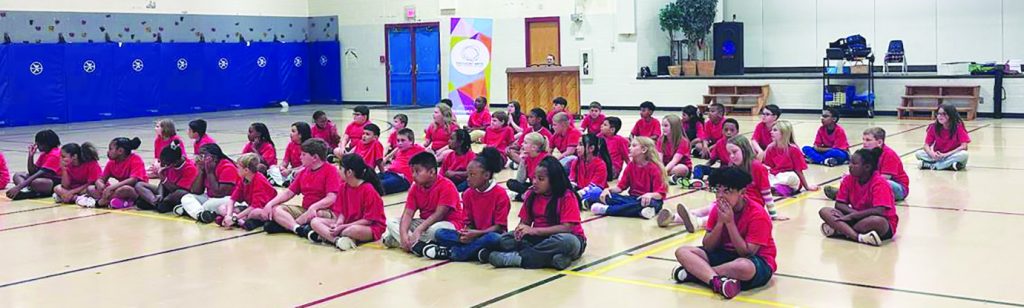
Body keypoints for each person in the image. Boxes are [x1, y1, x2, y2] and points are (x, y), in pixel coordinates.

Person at [672, 167, 777, 300]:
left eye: (727, 191)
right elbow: (708, 246)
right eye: (717, 191)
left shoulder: (758, 214)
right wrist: (720, 223)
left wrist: (730, 223)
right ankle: (717, 281)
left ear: (742, 192)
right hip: (724, 255)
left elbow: (746, 253)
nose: (720, 196)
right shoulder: (717, 209)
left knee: (743, 267)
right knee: (682, 251)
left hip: (756, 260)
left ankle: (697, 274)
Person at [485, 156, 586, 270]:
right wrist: (520, 230)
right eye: (534, 178)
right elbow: (524, 222)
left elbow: (567, 228)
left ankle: (519, 259)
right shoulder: (531, 195)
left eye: (541, 179)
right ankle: (552, 259)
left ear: (553, 180)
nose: (535, 182)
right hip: (540, 239)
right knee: (505, 239)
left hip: (566, 237)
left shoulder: (566, 196)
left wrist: (534, 230)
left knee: (567, 242)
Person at [421, 148, 509, 261]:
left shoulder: (500, 194)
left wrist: (477, 233)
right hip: (474, 236)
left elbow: (499, 228)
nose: (467, 179)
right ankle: (477, 252)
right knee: (440, 233)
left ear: (486, 175)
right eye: (467, 174)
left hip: (489, 234)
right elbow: (468, 222)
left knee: (494, 239)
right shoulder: (467, 194)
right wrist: (466, 233)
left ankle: (454, 253)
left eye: (472, 175)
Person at [383, 152, 465, 256]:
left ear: (431, 172)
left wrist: (419, 230)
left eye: (417, 172)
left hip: (446, 223)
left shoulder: (447, 186)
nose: (413, 175)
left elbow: (439, 215)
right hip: (425, 222)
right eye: (412, 172)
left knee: (435, 230)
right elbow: (408, 214)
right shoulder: (415, 188)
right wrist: (403, 235)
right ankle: (417, 246)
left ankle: (401, 241)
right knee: (391, 222)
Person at [819, 148, 899, 246]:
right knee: (825, 211)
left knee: (876, 221)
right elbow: (839, 204)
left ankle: (840, 230)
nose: (850, 166)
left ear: (867, 167)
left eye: (854, 164)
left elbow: (879, 211)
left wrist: (853, 216)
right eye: (850, 163)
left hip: (878, 220)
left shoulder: (880, 183)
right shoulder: (848, 179)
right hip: (855, 217)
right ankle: (858, 237)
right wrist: (853, 215)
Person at [263, 139, 342, 238]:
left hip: (325, 210)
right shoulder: (304, 172)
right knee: (276, 209)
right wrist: (270, 204)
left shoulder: (331, 171)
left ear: (315, 157)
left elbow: (331, 198)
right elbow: (288, 193)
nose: (300, 157)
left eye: (304, 155)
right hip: (306, 210)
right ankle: (297, 228)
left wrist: (314, 207)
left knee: (317, 214)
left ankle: (287, 225)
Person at [308, 154, 387, 251]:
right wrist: (339, 223)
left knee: (351, 230)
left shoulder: (369, 190)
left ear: (349, 172)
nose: (338, 170)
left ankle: (326, 236)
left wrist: (342, 227)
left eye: (340, 168)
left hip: (369, 227)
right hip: (347, 223)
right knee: (315, 221)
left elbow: (368, 221)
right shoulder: (343, 187)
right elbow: (342, 212)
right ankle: (337, 241)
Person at [591, 137, 667, 219]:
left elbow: (660, 194)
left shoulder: (654, 168)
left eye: (634, 146)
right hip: (633, 199)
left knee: (648, 204)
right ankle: (641, 212)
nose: (629, 148)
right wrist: (608, 190)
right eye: (630, 145)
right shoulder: (631, 166)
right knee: (608, 197)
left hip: (650, 200)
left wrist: (649, 195)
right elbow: (620, 188)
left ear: (644, 150)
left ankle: (607, 210)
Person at [825, 127, 910, 201]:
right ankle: (844, 194)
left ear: (879, 142)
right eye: (863, 139)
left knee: (881, 183)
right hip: (876, 182)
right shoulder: (864, 153)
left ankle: (846, 195)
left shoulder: (889, 154)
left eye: (868, 140)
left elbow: (885, 178)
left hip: (898, 188)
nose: (864, 142)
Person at [178, 143, 238, 222]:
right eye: (199, 156)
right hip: (212, 197)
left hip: (230, 199)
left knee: (208, 204)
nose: (199, 159)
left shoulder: (227, 167)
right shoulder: (205, 167)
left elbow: (219, 193)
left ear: (214, 158)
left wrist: (210, 172)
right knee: (186, 198)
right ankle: (200, 215)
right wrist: (201, 171)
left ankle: (193, 211)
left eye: (202, 156)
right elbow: (196, 191)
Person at [217, 153, 278, 230]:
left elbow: (255, 207)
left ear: (246, 170)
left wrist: (234, 218)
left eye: (238, 168)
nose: (236, 170)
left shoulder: (259, 180)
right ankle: (240, 221)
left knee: (255, 213)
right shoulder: (244, 179)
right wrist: (229, 215)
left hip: (264, 209)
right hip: (250, 208)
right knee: (222, 207)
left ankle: (239, 221)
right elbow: (232, 199)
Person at [135, 140, 197, 213]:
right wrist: (160, 194)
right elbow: (162, 183)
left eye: (165, 164)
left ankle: (159, 203)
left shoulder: (190, 168)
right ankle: (155, 202)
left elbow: (175, 190)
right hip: (166, 190)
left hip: (176, 194)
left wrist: (162, 177)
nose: (162, 165)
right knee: (139, 185)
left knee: (180, 192)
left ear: (176, 162)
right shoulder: (168, 162)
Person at [86, 137, 147, 208]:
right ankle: (119, 201)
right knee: (90, 189)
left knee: (125, 189)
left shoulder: (135, 159)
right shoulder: (111, 163)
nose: (108, 152)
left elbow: (133, 180)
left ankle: (103, 201)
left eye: (110, 149)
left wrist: (111, 187)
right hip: (118, 190)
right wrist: (99, 183)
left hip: (135, 191)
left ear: (120, 151)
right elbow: (101, 178)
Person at [763, 121, 817, 196]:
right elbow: (768, 166)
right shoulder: (770, 148)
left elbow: (799, 171)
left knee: (791, 177)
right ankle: (777, 188)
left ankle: (772, 187)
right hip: (775, 175)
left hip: (789, 177)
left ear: (784, 133)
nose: (771, 132)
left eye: (775, 130)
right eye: (772, 130)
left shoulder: (793, 149)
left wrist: (807, 187)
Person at [7, 130, 62, 200]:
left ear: (46, 143)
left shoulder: (55, 154)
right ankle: (26, 191)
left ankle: (33, 193)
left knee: (36, 182)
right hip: (44, 178)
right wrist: (31, 156)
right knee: (18, 175)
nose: (36, 144)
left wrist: (18, 187)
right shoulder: (44, 154)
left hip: (55, 182)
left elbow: (37, 174)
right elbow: (32, 172)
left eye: (38, 142)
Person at [915, 103, 971, 171]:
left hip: (952, 155)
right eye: (938, 114)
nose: (940, 116)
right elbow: (926, 145)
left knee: (964, 155)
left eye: (944, 114)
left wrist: (945, 155)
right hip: (938, 156)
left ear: (951, 115)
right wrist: (932, 154)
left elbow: (964, 146)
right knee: (918, 153)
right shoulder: (933, 127)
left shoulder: (958, 127)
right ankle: (949, 165)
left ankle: (934, 166)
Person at [380, 128, 426, 195]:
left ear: (411, 141)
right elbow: (395, 150)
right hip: (388, 173)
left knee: (378, 185)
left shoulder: (418, 149)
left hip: (401, 178)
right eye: (398, 141)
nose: (399, 143)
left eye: (403, 140)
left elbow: (429, 159)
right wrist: (387, 158)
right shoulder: (399, 150)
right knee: (368, 179)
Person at [693, 119, 739, 183]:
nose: (728, 132)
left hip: (736, 172)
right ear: (722, 131)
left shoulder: (741, 144)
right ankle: (697, 181)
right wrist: (705, 168)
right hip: (722, 171)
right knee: (698, 168)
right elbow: (712, 161)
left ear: (737, 131)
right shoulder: (719, 143)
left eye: (732, 130)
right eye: (726, 130)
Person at [507, 132, 549, 201]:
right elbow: (520, 180)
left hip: (544, 187)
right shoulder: (527, 158)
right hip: (534, 186)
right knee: (511, 183)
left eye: (525, 143)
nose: (522, 144)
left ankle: (525, 196)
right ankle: (528, 195)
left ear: (534, 147)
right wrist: (522, 161)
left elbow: (545, 183)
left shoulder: (545, 158)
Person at [268, 122, 311, 187]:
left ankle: (280, 181)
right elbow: (285, 161)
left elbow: (307, 165)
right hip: (291, 171)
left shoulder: (309, 146)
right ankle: (285, 182)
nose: (290, 133)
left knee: (299, 172)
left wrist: (290, 171)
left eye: (293, 131)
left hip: (302, 171)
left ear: (300, 135)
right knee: (272, 168)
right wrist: (281, 167)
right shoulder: (290, 145)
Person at [658, 114, 692, 185]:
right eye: (662, 126)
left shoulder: (683, 142)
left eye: (666, 126)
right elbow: (659, 159)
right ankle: (670, 178)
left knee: (682, 168)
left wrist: (662, 172)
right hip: (666, 167)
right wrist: (659, 169)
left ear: (674, 127)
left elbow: (674, 161)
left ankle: (665, 177)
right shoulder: (661, 140)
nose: (663, 128)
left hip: (677, 166)